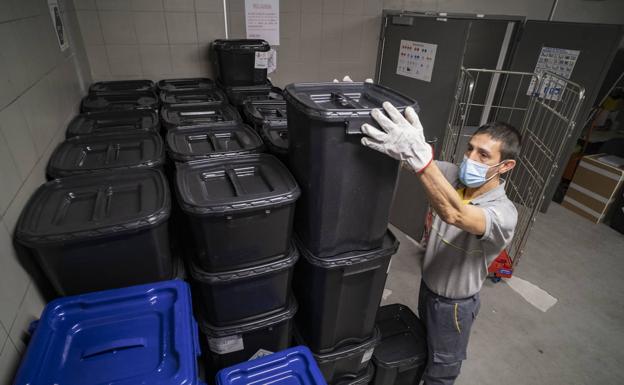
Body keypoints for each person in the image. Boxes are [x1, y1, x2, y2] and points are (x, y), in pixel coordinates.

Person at [361, 101, 521, 385]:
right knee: (426, 348)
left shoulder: (503, 213)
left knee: (443, 368)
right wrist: (361, 110)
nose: (470, 158)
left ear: (505, 165)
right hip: (428, 287)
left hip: (455, 305)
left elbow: (455, 213)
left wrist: (420, 159)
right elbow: (413, 162)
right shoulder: (452, 175)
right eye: (470, 148)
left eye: (483, 155)